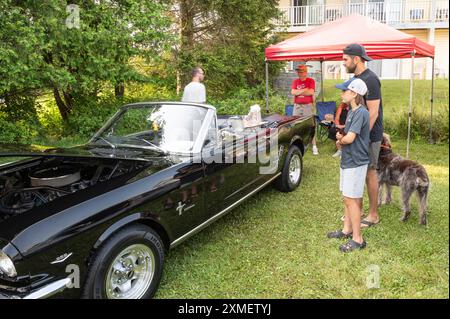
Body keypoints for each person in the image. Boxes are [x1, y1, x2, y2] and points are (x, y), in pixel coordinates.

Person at [342, 43, 383, 228]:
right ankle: (356, 211)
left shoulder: (371, 79)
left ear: (356, 59)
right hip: (359, 133)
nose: (343, 63)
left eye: (345, 59)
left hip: (370, 135)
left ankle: (373, 214)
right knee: (360, 172)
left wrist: (362, 137)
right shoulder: (356, 79)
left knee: (370, 172)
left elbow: (373, 112)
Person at [327, 78, 370, 252]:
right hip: (348, 160)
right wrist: (341, 140)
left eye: (344, 91)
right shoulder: (351, 111)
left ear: (354, 94)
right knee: (347, 197)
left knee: (352, 200)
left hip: (356, 161)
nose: (341, 93)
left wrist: (341, 139)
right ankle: (347, 229)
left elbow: (350, 138)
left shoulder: (361, 112)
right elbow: (348, 136)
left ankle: (358, 239)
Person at [291, 64, 318, 155]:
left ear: (306, 72)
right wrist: (304, 90)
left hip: (308, 106)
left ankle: (314, 146)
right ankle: (297, 144)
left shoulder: (311, 81)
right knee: (296, 125)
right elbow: (293, 92)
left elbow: (311, 92)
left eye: (301, 71)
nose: (299, 73)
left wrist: (299, 92)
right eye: (298, 71)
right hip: (297, 106)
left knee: (311, 125)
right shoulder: (295, 81)